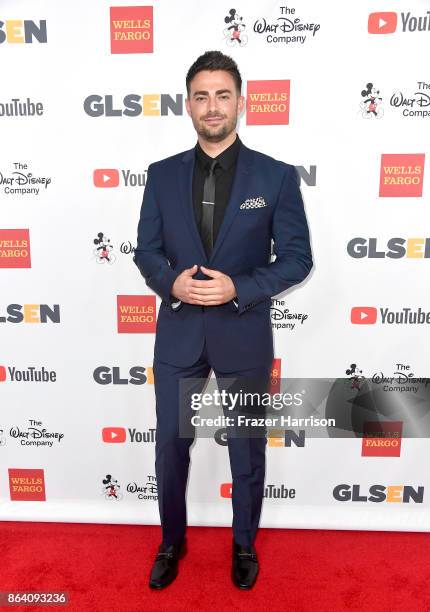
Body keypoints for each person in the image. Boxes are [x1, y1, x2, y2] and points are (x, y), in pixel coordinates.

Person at [133, 50, 313, 590]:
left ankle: (243, 543)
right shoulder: (160, 176)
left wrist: (241, 288)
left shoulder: (277, 177)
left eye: (223, 95)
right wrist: (171, 283)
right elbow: (146, 251)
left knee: (246, 446)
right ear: (187, 104)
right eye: (202, 96)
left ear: (241, 102)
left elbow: (298, 259)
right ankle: (171, 540)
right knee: (170, 444)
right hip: (180, 333)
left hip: (244, 332)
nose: (212, 106)